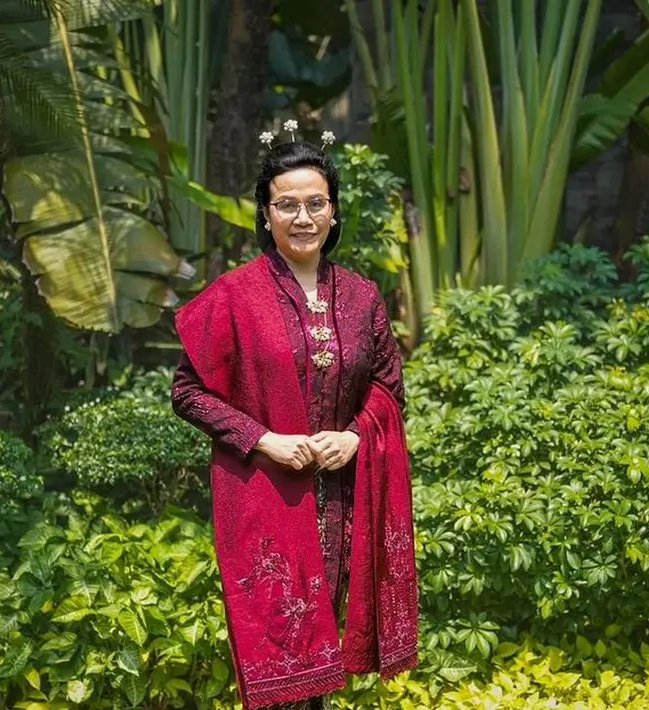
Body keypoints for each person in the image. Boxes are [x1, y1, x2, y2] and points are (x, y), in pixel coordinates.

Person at [171, 126, 419, 710]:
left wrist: (356, 437)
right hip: (269, 499)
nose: (302, 217)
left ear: (333, 213)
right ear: (266, 214)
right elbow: (187, 392)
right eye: (287, 204)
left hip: (345, 500)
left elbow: (388, 387)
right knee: (280, 655)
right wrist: (264, 441)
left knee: (326, 658)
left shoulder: (362, 297)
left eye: (315, 204)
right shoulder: (233, 296)